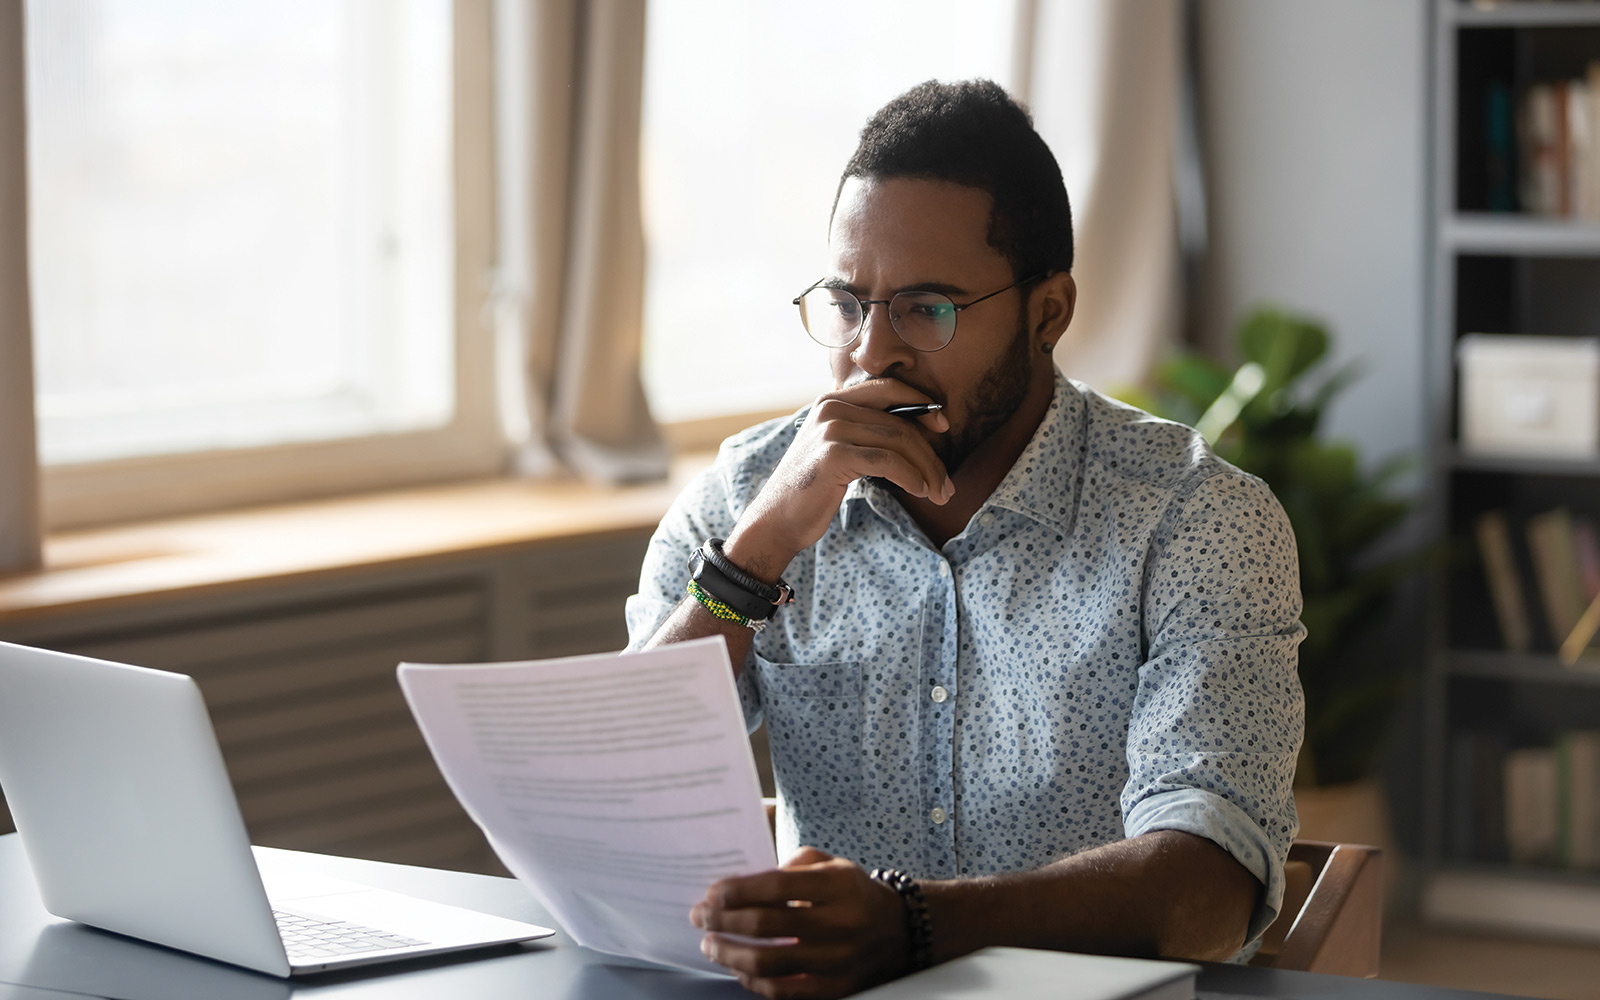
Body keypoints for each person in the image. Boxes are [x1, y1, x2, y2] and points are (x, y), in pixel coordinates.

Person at [625, 78, 1304, 999]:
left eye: (927, 309)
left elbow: (1209, 887)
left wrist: (916, 926)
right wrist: (757, 556)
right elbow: (622, 796)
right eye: (849, 303)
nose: (871, 354)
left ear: (1049, 312)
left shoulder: (1198, 522)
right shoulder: (749, 503)